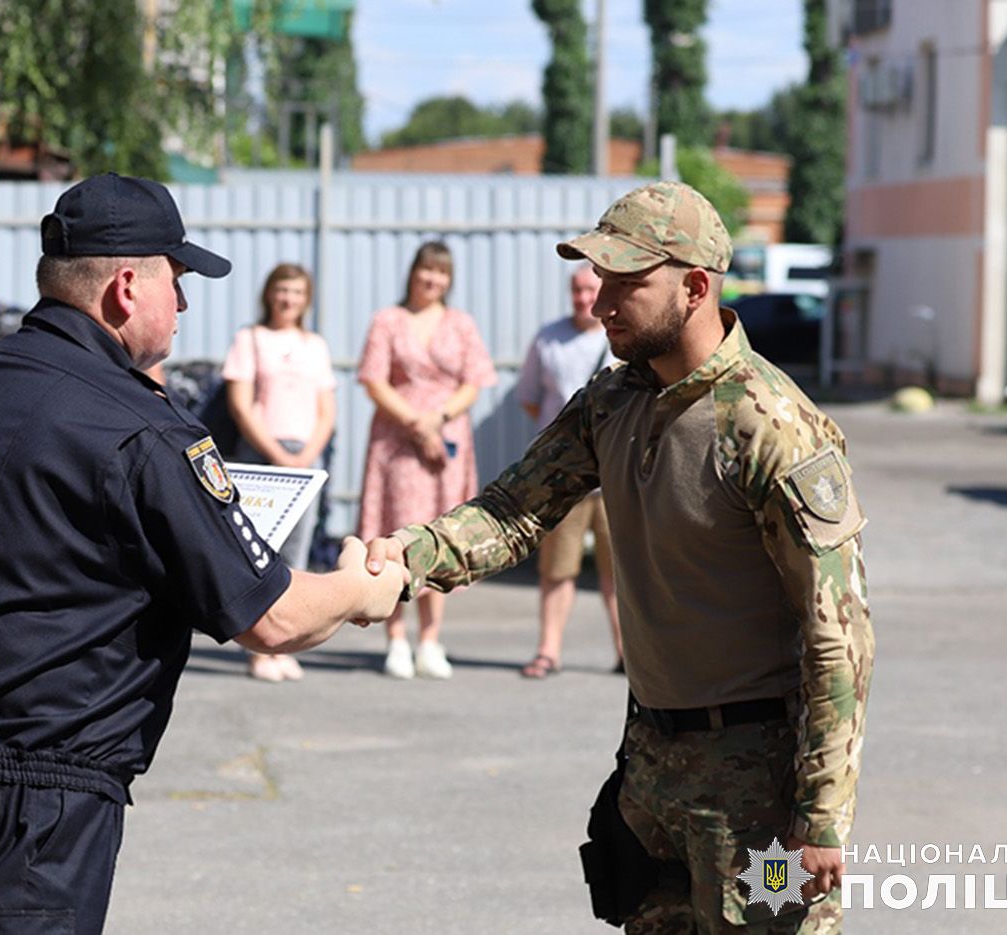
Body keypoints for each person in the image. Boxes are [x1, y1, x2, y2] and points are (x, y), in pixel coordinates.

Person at [0, 173, 405, 935]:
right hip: (39, 808)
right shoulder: (140, 429)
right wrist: (362, 588)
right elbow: (274, 619)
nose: (183, 305)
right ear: (125, 287)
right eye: (176, 281)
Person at [366, 181, 872, 932]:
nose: (600, 300)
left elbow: (839, 635)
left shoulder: (772, 427)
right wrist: (398, 561)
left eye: (624, 282)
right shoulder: (612, 402)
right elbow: (512, 510)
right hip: (652, 771)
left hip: (760, 790)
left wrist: (821, 811)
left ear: (694, 286)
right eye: (597, 277)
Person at [356, 240, 496, 679]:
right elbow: (374, 380)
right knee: (395, 534)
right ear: (413, 273)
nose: (432, 280)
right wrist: (416, 423)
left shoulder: (461, 324)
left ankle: (431, 639)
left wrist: (438, 418)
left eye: (441, 273)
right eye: (426, 271)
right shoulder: (388, 320)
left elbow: (475, 381)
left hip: (447, 442)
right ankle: (395, 638)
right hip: (398, 442)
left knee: (440, 537)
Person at [222, 262, 337, 682]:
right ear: (269, 294)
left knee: (296, 557)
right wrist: (275, 452)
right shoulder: (250, 339)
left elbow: (326, 410)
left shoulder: (314, 345)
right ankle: (256, 647)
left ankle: (287, 644)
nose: (288, 299)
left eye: (297, 292)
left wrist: (307, 453)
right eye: (282, 290)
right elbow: (240, 402)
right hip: (260, 456)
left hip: (305, 459)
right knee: (255, 554)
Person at [513, 263, 622, 678]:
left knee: (623, 574)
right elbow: (530, 399)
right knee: (556, 569)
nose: (582, 298)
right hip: (564, 480)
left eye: (589, 290)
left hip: (614, 477)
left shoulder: (622, 338)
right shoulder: (548, 338)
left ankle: (627, 654)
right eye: (576, 290)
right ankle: (548, 651)